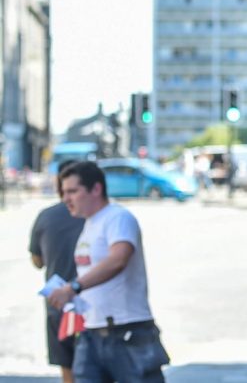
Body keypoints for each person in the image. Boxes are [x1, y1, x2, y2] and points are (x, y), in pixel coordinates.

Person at [47, 161, 170, 383]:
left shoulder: (117, 218)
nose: (66, 199)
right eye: (64, 192)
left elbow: (118, 259)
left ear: (96, 189)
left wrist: (74, 287)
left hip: (126, 333)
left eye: (73, 191)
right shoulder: (89, 225)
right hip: (91, 331)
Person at [29, 162, 85, 383]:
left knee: (68, 367)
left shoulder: (46, 216)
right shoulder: (100, 216)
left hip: (58, 303)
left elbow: (37, 261)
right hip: (91, 303)